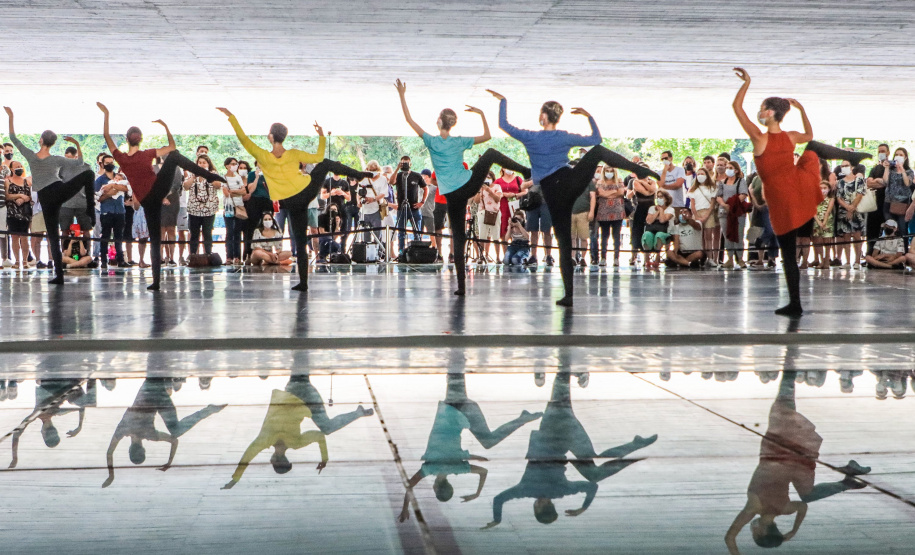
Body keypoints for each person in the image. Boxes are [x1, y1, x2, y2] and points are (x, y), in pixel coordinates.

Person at [488, 89, 656, 306]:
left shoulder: (531, 137)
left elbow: (504, 125)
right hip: (570, 182)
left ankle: (569, 295)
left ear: (543, 117)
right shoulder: (563, 136)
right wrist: (589, 117)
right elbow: (596, 139)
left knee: (564, 243)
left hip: (553, 193)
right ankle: (638, 170)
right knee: (597, 152)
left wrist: (503, 101)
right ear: (557, 118)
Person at [731, 68, 870, 316]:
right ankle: (852, 157)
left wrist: (747, 83)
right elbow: (811, 136)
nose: (759, 113)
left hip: (781, 196)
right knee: (814, 147)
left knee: (788, 252)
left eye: (762, 109)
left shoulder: (760, 139)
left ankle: (795, 303)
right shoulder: (791, 137)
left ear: (770, 113)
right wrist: (802, 110)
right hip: (797, 185)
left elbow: (737, 108)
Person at [395, 79, 531, 295]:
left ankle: (461, 287)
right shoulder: (458, 141)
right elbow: (487, 137)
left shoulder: (432, 141)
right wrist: (481, 114)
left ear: (439, 122)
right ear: (452, 124)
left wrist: (402, 94)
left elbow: (409, 119)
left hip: (453, 194)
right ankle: (525, 171)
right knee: (491, 154)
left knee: (458, 239)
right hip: (468, 184)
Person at [218, 107, 370, 291]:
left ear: (272, 137)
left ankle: (304, 283)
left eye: (269, 133)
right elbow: (319, 157)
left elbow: (243, 139)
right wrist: (321, 136)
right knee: (326, 164)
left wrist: (232, 117)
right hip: (306, 192)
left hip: (289, 201)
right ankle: (358, 175)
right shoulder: (293, 154)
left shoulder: (263, 156)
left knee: (299, 241)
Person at [483, 372, 657, 528]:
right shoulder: (526, 490)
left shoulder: (561, 491)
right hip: (551, 434)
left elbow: (592, 487)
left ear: (551, 506)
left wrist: (583, 507)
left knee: (594, 470)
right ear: (537, 507)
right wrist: (497, 519)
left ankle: (636, 447)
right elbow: (499, 500)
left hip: (566, 439)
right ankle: (563, 369)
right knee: (559, 400)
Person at [725, 371, 870, 554]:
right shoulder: (754, 507)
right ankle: (789, 371)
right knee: (783, 408)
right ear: (761, 531)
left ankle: (845, 483)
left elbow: (803, 507)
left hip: (799, 462)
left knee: (807, 495)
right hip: (775, 451)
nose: (751, 530)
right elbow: (729, 537)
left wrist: (793, 530)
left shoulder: (785, 509)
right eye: (754, 534)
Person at [98, 103, 226, 290]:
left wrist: (107, 113)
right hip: (157, 191)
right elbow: (172, 147)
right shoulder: (147, 154)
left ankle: (156, 282)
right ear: (140, 140)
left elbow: (107, 137)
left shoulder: (122, 158)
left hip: (147, 199)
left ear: (127, 139)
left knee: (155, 240)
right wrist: (165, 127)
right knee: (173, 156)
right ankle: (208, 175)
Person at [398, 373, 541, 523]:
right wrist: (404, 508)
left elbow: (483, 471)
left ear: (449, 485)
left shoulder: (458, 468)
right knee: (456, 375)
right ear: (435, 487)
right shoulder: (429, 468)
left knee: (488, 441)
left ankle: (523, 419)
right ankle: (455, 361)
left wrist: (477, 492)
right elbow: (409, 486)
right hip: (448, 410)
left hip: (463, 413)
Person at [5, 107, 96, 284]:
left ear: (40, 141)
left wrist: (11, 117)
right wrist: (76, 144)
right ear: (52, 143)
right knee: (89, 174)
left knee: (53, 235)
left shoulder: (32, 157)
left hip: (47, 198)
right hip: (59, 191)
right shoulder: (56, 159)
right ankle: (90, 210)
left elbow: (13, 138)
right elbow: (80, 162)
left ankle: (59, 275)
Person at [103, 377, 225, 487]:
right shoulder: (123, 429)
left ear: (144, 449)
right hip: (147, 387)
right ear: (129, 449)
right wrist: (111, 475)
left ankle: (209, 410)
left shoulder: (150, 434)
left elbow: (174, 441)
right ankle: (168, 383)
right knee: (173, 427)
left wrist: (169, 462)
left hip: (160, 396)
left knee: (176, 431)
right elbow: (109, 453)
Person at [94, 155, 130, 268]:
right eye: (107, 162)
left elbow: (126, 189)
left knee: (119, 236)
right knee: (105, 235)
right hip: (106, 211)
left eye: (112, 162)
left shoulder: (120, 177)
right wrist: (110, 194)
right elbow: (98, 198)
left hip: (120, 210)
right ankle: (103, 260)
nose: (110, 164)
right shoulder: (99, 180)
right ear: (102, 164)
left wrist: (114, 186)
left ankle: (121, 260)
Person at [389, 155, 427, 256]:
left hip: (414, 208)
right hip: (401, 208)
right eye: (403, 162)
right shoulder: (399, 175)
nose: (405, 164)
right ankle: (401, 252)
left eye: (406, 162)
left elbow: (425, 188)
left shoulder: (417, 175)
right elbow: (391, 182)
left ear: (410, 163)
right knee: (401, 232)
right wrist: (397, 168)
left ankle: (417, 252)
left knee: (417, 231)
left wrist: (422, 202)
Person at [183, 155, 220, 256]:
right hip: (194, 210)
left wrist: (208, 175)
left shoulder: (213, 173)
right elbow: (185, 187)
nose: (202, 164)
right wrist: (195, 176)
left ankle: (208, 254)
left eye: (204, 162)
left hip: (209, 209)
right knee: (194, 234)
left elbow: (218, 185)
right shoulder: (192, 173)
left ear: (208, 164)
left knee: (207, 233)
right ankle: (193, 254)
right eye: (200, 162)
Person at [716, 160, 750, 269]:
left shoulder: (741, 181)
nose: (728, 170)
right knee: (727, 236)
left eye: (730, 168)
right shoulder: (722, 182)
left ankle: (740, 258)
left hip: (737, 212)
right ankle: (729, 259)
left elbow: (743, 194)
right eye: (727, 167)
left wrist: (732, 204)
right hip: (724, 212)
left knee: (739, 235)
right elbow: (718, 196)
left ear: (735, 170)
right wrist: (724, 204)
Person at [834, 159, 866, 269]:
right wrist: (847, 207)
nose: (844, 167)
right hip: (843, 212)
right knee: (845, 236)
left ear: (852, 167)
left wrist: (851, 208)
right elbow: (839, 198)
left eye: (846, 165)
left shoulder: (859, 180)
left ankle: (857, 260)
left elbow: (860, 194)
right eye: (842, 166)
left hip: (857, 211)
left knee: (857, 235)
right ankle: (847, 261)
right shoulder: (840, 182)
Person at [880, 147, 914, 246]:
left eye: (901, 155)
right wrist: (886, 167)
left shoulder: (909, 171)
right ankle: (890, 252)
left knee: (903, 230)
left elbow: (907, 183)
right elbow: (885, 181)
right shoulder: (890, 170)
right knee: (890, 229)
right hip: (888, 203)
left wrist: (902, 169)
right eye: (897, 154)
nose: (898, 157)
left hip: (903, 204)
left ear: (906, 157)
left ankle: (903, 252)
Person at [594, 165, 626, 267]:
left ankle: (616, 258)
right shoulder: (600, 182)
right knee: (604, 236)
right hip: (603, 213)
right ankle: (603, 257)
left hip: (617, 213)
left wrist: (608, 193)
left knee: (616, 236)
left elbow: (621, 192)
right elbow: (601, 194)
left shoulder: (619, 181)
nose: (609, 172)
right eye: (607, 171)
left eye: (611, 171)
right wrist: (613, 192)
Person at [241, 160, 273, 262]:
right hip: (254, 202)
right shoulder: (251, 174)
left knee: (267, 226)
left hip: (267, 201)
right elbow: (250, 189)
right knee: (251, 228)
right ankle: (248, 253)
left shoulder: (270, 174)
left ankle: (267, 254)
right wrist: (257, 177)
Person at [688, 167, 721, 267]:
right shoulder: (693, 189)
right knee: (699, 237)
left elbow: (712, 203)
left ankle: (711, 258)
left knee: (708, 237)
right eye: (698, 174)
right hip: (697, 212)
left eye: (702, 174)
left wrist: (706, 215)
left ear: (706, 175)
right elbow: (692, 204)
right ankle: (701, 258)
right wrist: (697, 216)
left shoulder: (712, 187)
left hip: (708, 213)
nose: (700, 176)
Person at [4, 159, 32, 268]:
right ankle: (17, 261)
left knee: (24, 237)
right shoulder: (8, 181)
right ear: (11, 169)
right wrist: (19, 196)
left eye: (20, 166)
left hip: (24, 212)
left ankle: (25, 261)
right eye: (17, 166)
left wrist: (25, 199)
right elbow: (7, 196)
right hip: (12, 212)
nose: (19, 168)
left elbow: (30, 196)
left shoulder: (27, 181)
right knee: (14, 237)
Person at [628, 167, 658, 267]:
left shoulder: (652, 181)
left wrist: (644, 182)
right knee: (637, 231)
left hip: (651, 208)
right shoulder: (634, 182)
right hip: (640, 208)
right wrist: (647, 187)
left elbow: (653, 189)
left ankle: (647, 258)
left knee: (649, 231)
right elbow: (646, 192)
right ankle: (634, 255)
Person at [864, 144, 891, 256]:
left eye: (883, 151)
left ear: (888, 152)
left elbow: (888, 183)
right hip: (874, 205)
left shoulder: (892, 167)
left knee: (890, 230)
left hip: (888, 205)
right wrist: (880, 182)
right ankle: (870, 255)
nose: (881, 153)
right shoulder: (874, 168)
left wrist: (881, 182)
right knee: (872, 232)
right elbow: (869, 183)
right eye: (879, 151)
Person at [472, 172, 503, 263]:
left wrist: (489, 190)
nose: (487, 179)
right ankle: (481, 256)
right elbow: (476, 201)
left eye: (489, 177)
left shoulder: (497, 187)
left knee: (495, 236)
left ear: (493, 178)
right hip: (482, 213)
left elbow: (498, 199)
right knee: (482, 236)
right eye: (485, 177)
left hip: (495, 213)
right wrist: (479, 191)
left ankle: (498, 257)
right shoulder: (480, 188)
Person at [570, 165, 597, 267]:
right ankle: (572, 257)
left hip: (583, 212)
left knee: (583, 237)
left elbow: (593, 197)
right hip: (570, 212)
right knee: (572, 237)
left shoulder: (588, 181)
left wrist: (591, 211)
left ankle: (582, 258)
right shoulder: (568, 181)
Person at [222, 157, 247, 265]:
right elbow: (226, 193)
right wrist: (237, 192)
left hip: (239, 206)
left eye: (235, 164)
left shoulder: (238, 177)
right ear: (227, 165)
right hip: (228, 207)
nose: (234, 166)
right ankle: (229, 257)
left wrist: (232, 191)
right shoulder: (223, 177)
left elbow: (244, 191)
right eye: (232, 164)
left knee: (237, 232)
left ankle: (237, 257)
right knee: (230, 232)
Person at [495, 167, 524, 262]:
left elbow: (525, 191)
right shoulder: (498, 181)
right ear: (502, 169)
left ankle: (516, 253)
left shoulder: (518, 179)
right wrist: (502, 194)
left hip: (515, 208)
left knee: (516, 229)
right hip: (502, 207)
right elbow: (493, 192)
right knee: (503, 230)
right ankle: (505, 255)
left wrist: (515, 195)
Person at [642, 190, 675, 268]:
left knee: (659, 235)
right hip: (651, 230)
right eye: (658, 197)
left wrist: (661, 210)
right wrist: (656, 212)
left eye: (661, 197)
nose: (659, 198)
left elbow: (662, 220)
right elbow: (649, 221)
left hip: (665, 231)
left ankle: (657, 258)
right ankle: (647, 260)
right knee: (646, 235)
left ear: (666, 199)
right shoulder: (652, 208)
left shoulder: (670, 210)